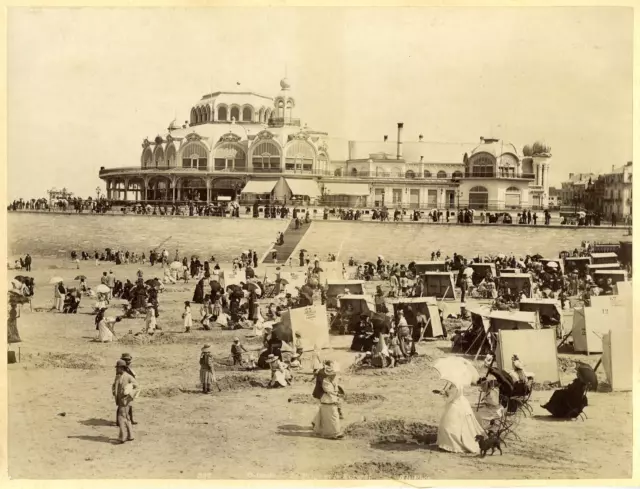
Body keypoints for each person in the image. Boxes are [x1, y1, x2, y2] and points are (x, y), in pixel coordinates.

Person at [436, 382, 485, 454]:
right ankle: (449, 444)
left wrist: (443, 394)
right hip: (462, 404)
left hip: (456, 406)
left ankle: (451, 445)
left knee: (449, 426)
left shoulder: (455, 386)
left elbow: (450, 398)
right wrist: (445, 392)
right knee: (455, 426)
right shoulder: (456, 384)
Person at [312, 360, 344, 439]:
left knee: (328, 415)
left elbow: (335, 388)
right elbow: (328, 390)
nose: (334, 375)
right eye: (333, 374)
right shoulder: (324, 379)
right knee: (332, 416)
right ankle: (334, 433)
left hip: (329, 399)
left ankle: (316, 424)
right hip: (325, 397)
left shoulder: (331, 380)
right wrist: (336, 394)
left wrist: (337, 393)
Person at [112, 359, 138, 444]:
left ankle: (122, 437)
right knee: (126, 418)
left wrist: (130, 396)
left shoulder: (128, 377)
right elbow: (114, 386)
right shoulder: (117, 376)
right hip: (120, 400)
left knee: (121, 418)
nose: (116, 369)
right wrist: (114, 392)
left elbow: (137, 387)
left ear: (122, 368)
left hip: (125, 401)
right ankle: (130, 435)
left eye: (118, 368)